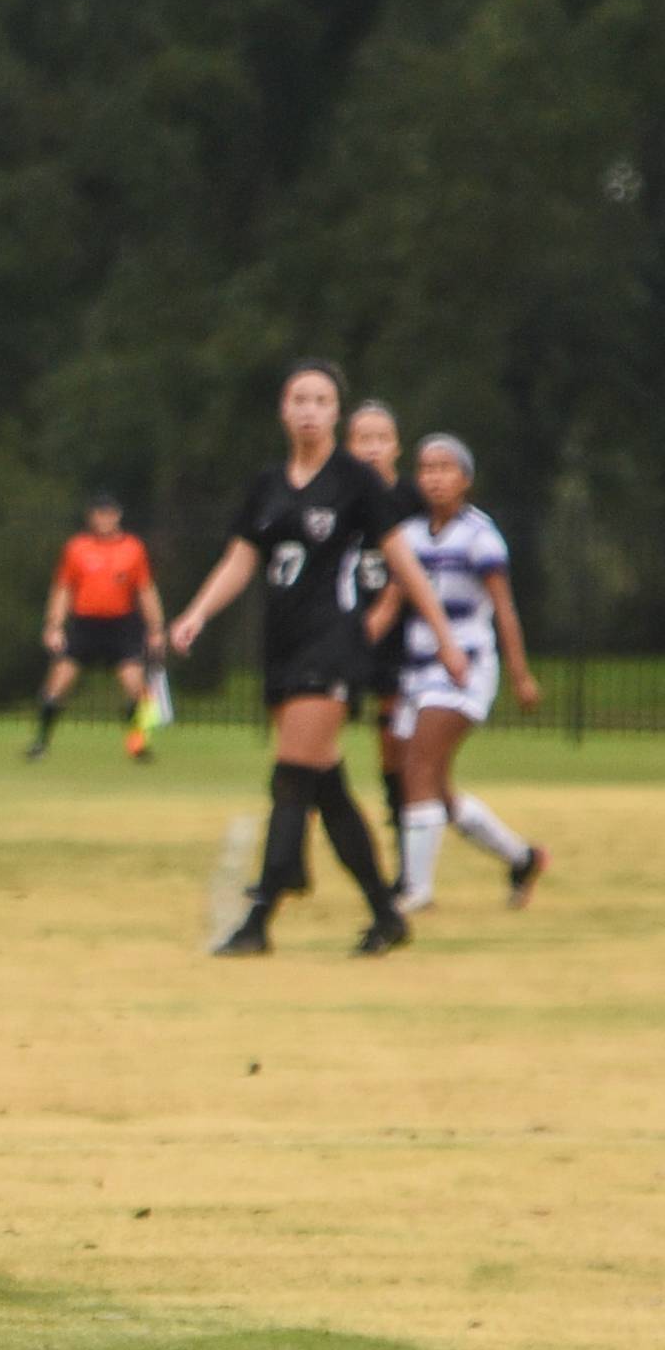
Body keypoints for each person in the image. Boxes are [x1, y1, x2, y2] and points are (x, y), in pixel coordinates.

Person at [169, 360, 468, 957]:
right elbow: (240, 559)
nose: (309, 409)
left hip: (333, 645)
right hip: (281, 648)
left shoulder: (356, 481)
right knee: (325, 786)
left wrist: (445, 636)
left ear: (336, 412)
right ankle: (386, 913)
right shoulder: (268, 485)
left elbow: (403, 562)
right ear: (283, 410)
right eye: (299, 399)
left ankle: (263, 910)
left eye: (321, 400)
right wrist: (197, 612)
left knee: (291, 775)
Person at [384, 434, 547, 911]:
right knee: (435, 788)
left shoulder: (480, 536)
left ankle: (416, 890)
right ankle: (521, 858)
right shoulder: (409, 534)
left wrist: (520, 674)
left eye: (445, 468)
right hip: (417, 671)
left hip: (462, 669)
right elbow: (391, 604)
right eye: (426, 468)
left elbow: (504, 609)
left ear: (466, 479)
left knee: (417, 767)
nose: (434, 477)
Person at [342, 400, 429, 886]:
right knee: (315, 743)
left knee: (394, 747)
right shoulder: (340, 496)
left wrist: (387, 609)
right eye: (362, 439)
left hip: (398, 642)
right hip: (347, 634)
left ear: (396, 445)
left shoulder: (410, 501)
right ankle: (291, 855)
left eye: (381, 438)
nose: (372, 447)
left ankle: (405, 862)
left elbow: (411, 568)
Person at [27, 494, 166, 762]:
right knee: (58, 683)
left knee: (136, 687)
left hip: (121, 625)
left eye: (109, 513)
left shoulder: (133, 548)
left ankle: (137, 744)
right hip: (85, 625)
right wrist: (54, 625)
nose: (104, 519)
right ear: (91, 517)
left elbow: (145, 590)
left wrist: (156, 629)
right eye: (99, 514)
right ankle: (40, 742)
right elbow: (63, 588)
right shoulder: (77, 548)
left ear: (118, 516)